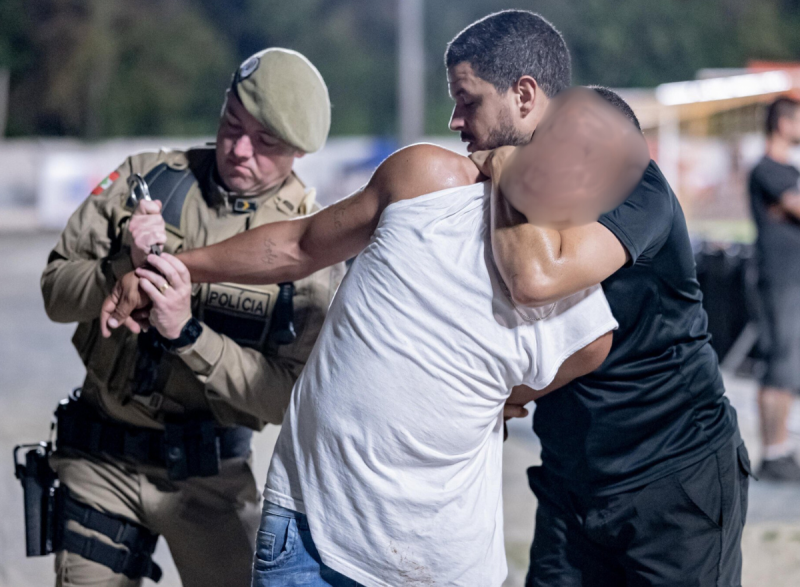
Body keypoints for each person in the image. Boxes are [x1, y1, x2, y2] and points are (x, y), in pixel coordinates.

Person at [102, 86, 647, 586]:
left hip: (442, 566)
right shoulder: (426, 181)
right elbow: (297, 245)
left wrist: (491, 398)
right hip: (309, 534)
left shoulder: (585, 325)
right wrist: (177, 268)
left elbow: (528, 383)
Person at [444, 10, 749, 587]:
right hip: (572, 481)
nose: (456, 119)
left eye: (468, 100)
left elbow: (536, 279)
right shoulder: (506, 195)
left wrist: (506, 166)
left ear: (524, 95)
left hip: (673, 479)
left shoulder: (628, 180)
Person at [39, 48, 344, 587]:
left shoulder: (309, 248)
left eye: (265, 142)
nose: (238, 149)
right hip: (100, 461)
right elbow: (56, 295)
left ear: (299, 151)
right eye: (231, 124)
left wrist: (189, 335)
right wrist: (121, 266)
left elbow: (285, 399)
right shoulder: (145, 180)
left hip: (210, 479)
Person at [749, 96, 800, 482]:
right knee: (779, 363)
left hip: (791, 277)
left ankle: (780, 449)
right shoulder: (767, 169)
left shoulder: (789, 173)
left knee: (789, 363)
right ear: (782, 124)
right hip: (778, 278)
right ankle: (774, 452)